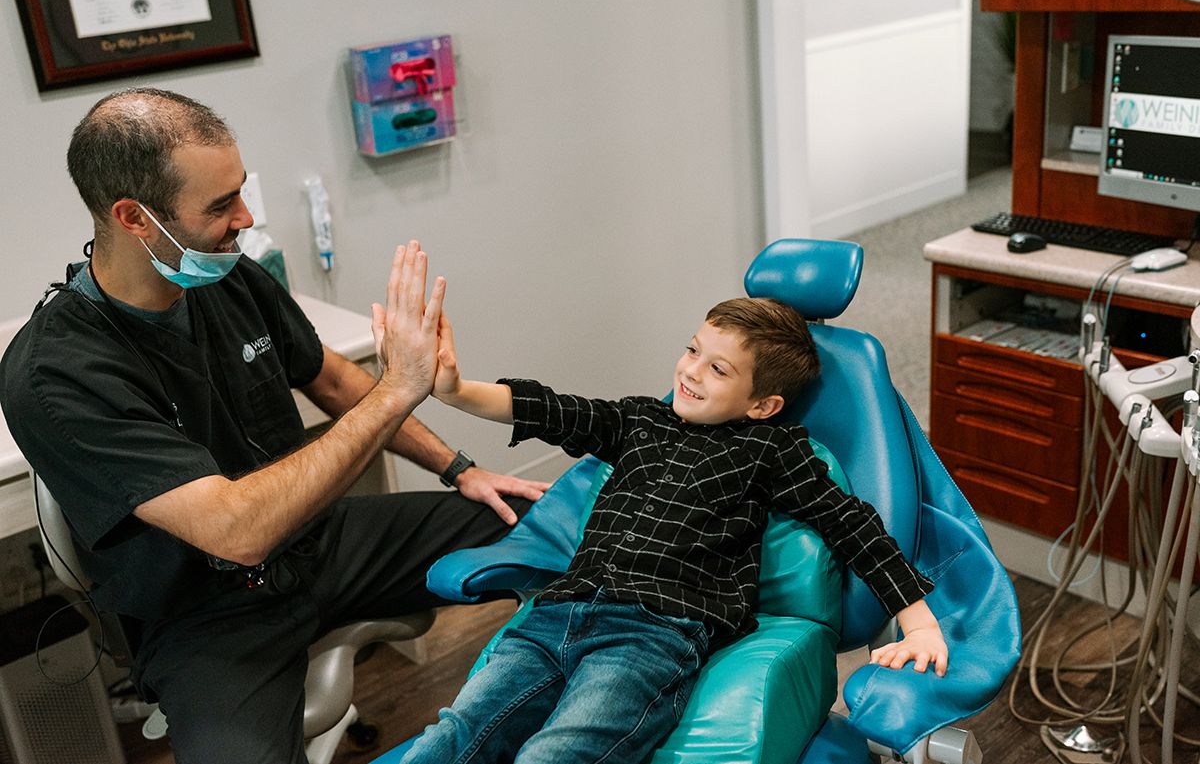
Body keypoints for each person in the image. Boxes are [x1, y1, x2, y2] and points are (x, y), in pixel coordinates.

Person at [0, 88, 548, 764]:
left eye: (240, 191)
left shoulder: (228, 280)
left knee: (566, 533)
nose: (246, 216)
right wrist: (399, 389)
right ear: (134, 218)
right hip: (205, 613)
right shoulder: (55, 374)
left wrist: (461, 469)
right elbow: (238, 532)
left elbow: (334, 378)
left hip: (318, 543)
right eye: (221, 204)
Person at [400, 296, 949, 764]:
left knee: (557, 753)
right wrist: (453, 390)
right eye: (693, 350)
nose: (690, 371)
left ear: (764, 405)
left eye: (719, 370)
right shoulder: (640, 419)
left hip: (651, 634)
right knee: (456, 736)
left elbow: (849, 522)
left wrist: (917, 622)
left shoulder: (772, 451)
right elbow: (554, 410)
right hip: (555, 613)